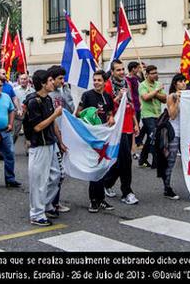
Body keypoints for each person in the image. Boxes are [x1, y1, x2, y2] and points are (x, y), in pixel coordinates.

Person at [25, 69, 64, 226]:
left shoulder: (47, 99)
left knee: (57, 175)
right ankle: (36, 214)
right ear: (42, 83)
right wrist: (55, 115)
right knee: (39, 181)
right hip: (39, 145)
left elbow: (52, 124)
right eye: (49, 80)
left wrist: (59, 141)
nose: (52, 83)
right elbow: (37, 127)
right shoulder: (34, 102)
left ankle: (46, 204)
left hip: (50, 143)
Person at [76, 70, 116, 213]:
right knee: (94, 168)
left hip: (104, 137)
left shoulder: (107, 96)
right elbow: (78, 113)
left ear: (105, 82)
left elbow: (110, 112)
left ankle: (102, 199)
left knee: (103, 167)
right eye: (95, 80)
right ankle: (93, 200)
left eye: (99, 80)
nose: (96, 82)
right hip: (92, 137)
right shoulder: (87, 95)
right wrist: (90, 113)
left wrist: (111, 117)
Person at [103, 59, 140, 205]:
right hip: (116, 128)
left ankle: (106, 182)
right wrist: (118, 97)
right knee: (126, 160)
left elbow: (130, 105)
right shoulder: (107, 86)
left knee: (121, 161)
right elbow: (107, 107)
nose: (121, 72)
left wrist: (136, 123)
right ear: (112, 72)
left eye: (122, 69)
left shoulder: (127, 83)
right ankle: (127, 192)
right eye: (118, 70)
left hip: (128, 125)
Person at [47, 65, 73, 214]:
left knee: (59, 173)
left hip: (63, 133)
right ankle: (51, 203)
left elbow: (71, 109)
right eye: (60, 79)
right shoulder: (49, 95)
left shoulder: (62, 91)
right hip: (53, 137)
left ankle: (54, 202)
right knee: (57, 173)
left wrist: (67, 92)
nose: (62, 81)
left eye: (63, 78)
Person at [0, 78, 22, 188]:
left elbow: (11, 110)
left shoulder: (6, 97)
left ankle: (10, 179)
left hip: (6, 131)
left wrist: (11, 124)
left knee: (10, 154)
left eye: (0, 86)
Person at [159, 74, 187, 200]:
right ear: (175, 84)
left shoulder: (189, 95)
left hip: (187, 133)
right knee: (171, 160)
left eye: (184, 81)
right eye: (180, 81)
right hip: (175, 132)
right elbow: (172, 115)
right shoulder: (172, 96)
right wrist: (177, 101)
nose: (183, 84)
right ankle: (167, 187)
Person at [138, 65, 166, 168]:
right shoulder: (143, 85)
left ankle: (142, 159)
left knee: (150, 138)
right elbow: (145, 97)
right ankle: (156, 161)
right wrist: (157, 91)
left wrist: (154, 93)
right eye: (153, 73)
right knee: (154, 136)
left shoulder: (158, 84)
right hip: (147, 115)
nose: (155, 75)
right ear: (147, 75)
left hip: (158, 114)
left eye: (156, 73)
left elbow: (164, 99)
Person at [13, 73, 35, 148]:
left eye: (25, 79)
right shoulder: (15, 90)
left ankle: (28, 149)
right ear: (19, 80)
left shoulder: (32, 91)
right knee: (15, 133)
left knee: (28, 133)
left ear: (28, 80)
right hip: (18, 115)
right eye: (21, 79)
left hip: (28, 115)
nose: (23, 80)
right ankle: (9, 148)